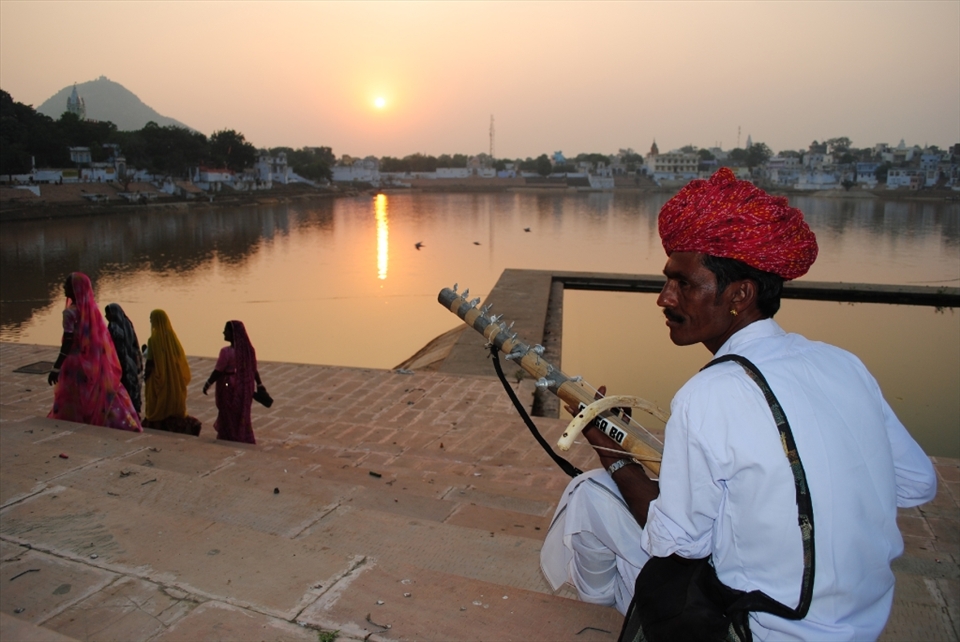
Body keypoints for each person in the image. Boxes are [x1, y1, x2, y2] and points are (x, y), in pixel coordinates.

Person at [540, 168, 937, 641]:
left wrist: (613, 453)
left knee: (591, 495)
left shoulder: (710, 393)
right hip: (862, 625)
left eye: (684, 284)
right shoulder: (841, 363)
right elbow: (917, 483)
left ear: (740, 294)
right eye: (667, 281)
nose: (664, 298)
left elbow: (675, 542)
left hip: (761, 631)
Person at [47, 273, 141, 432]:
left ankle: (78, 421)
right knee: (101, 394)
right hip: (93, 362)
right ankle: (122, 421)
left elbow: (68, 342)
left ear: (76, 289)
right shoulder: (91, 311)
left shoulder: (70, 313)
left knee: (74, 396)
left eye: (67, 285)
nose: (64, 287)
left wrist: (56, 367)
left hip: (75, 363)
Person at [202, 320, 264, 444]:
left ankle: (229, 436)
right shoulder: (248, 350)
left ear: (233, 333)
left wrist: (208, 383)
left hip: (228, 386)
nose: (224, 333)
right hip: (244, 388)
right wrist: (259, 384)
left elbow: (218, 370)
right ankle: (243, 436)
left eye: (226, 330)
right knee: (241, 414)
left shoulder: (226, 352)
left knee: (228, 413)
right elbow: (253, 369)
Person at [143, 309, 200, 434]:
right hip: (173, 377)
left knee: (158, 403)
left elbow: (151, 362)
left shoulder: (153, 340)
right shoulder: (173, 338)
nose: (151, 322)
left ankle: (158, 423)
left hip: (158, 376)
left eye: (151, 320)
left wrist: (146, 376)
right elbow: (179, 357)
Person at [105, 303, 143, 416]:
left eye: (107, 314)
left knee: (121, 391)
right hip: (131, 362)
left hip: (120, 363)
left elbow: (116, 348)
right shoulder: (127, 323)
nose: (106, 316)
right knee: (132, 389)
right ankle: (134, 412)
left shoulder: (113, 327)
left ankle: (124, 415)